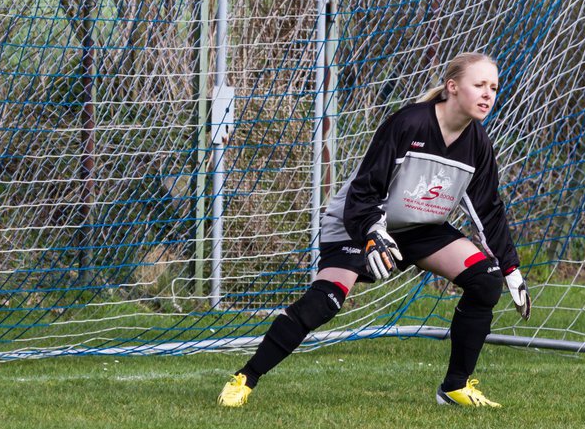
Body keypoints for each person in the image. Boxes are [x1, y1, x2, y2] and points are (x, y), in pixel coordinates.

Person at [217, 51, 530, 409]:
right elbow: (365, 191)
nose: (488, 94)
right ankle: (246, 377)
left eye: (493, 87)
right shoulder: (409, 124)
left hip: (418, 228)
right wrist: (372, 232)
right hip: (357, 221)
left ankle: (454, 387)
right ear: (452, 87)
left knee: (485, 279)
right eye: (479, 85)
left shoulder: (478, 145)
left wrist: (509, 267)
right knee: (326, 300)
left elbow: (488, 211)